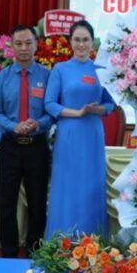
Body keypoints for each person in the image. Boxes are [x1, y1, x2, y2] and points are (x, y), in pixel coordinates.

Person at [44, 19, 114, 238]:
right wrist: (77, 113)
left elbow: (111, 104)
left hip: (92, 134)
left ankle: (91, 244)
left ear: (93, 42)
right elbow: (49, 104)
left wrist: (97, 110)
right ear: (70, 42)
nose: (81, 44)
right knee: (66, 187)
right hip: (68, 133)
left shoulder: (101, 70)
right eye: (77, 39)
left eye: (86, 40)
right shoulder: (60, 69)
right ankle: (62, 241)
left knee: (91, 186)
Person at [0, 24, 54, 257]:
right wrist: (13, 126)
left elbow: (53, 110)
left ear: (36, 45)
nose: (24, 48)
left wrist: (40, 124)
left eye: (28, 43)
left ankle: (36, 253)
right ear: (11, 46)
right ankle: (9, 253)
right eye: (19, 43)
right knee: (7, 204)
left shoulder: (48, 76)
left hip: (37, 147)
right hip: (10, 147)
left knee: (37, 204)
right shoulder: (1, 77)